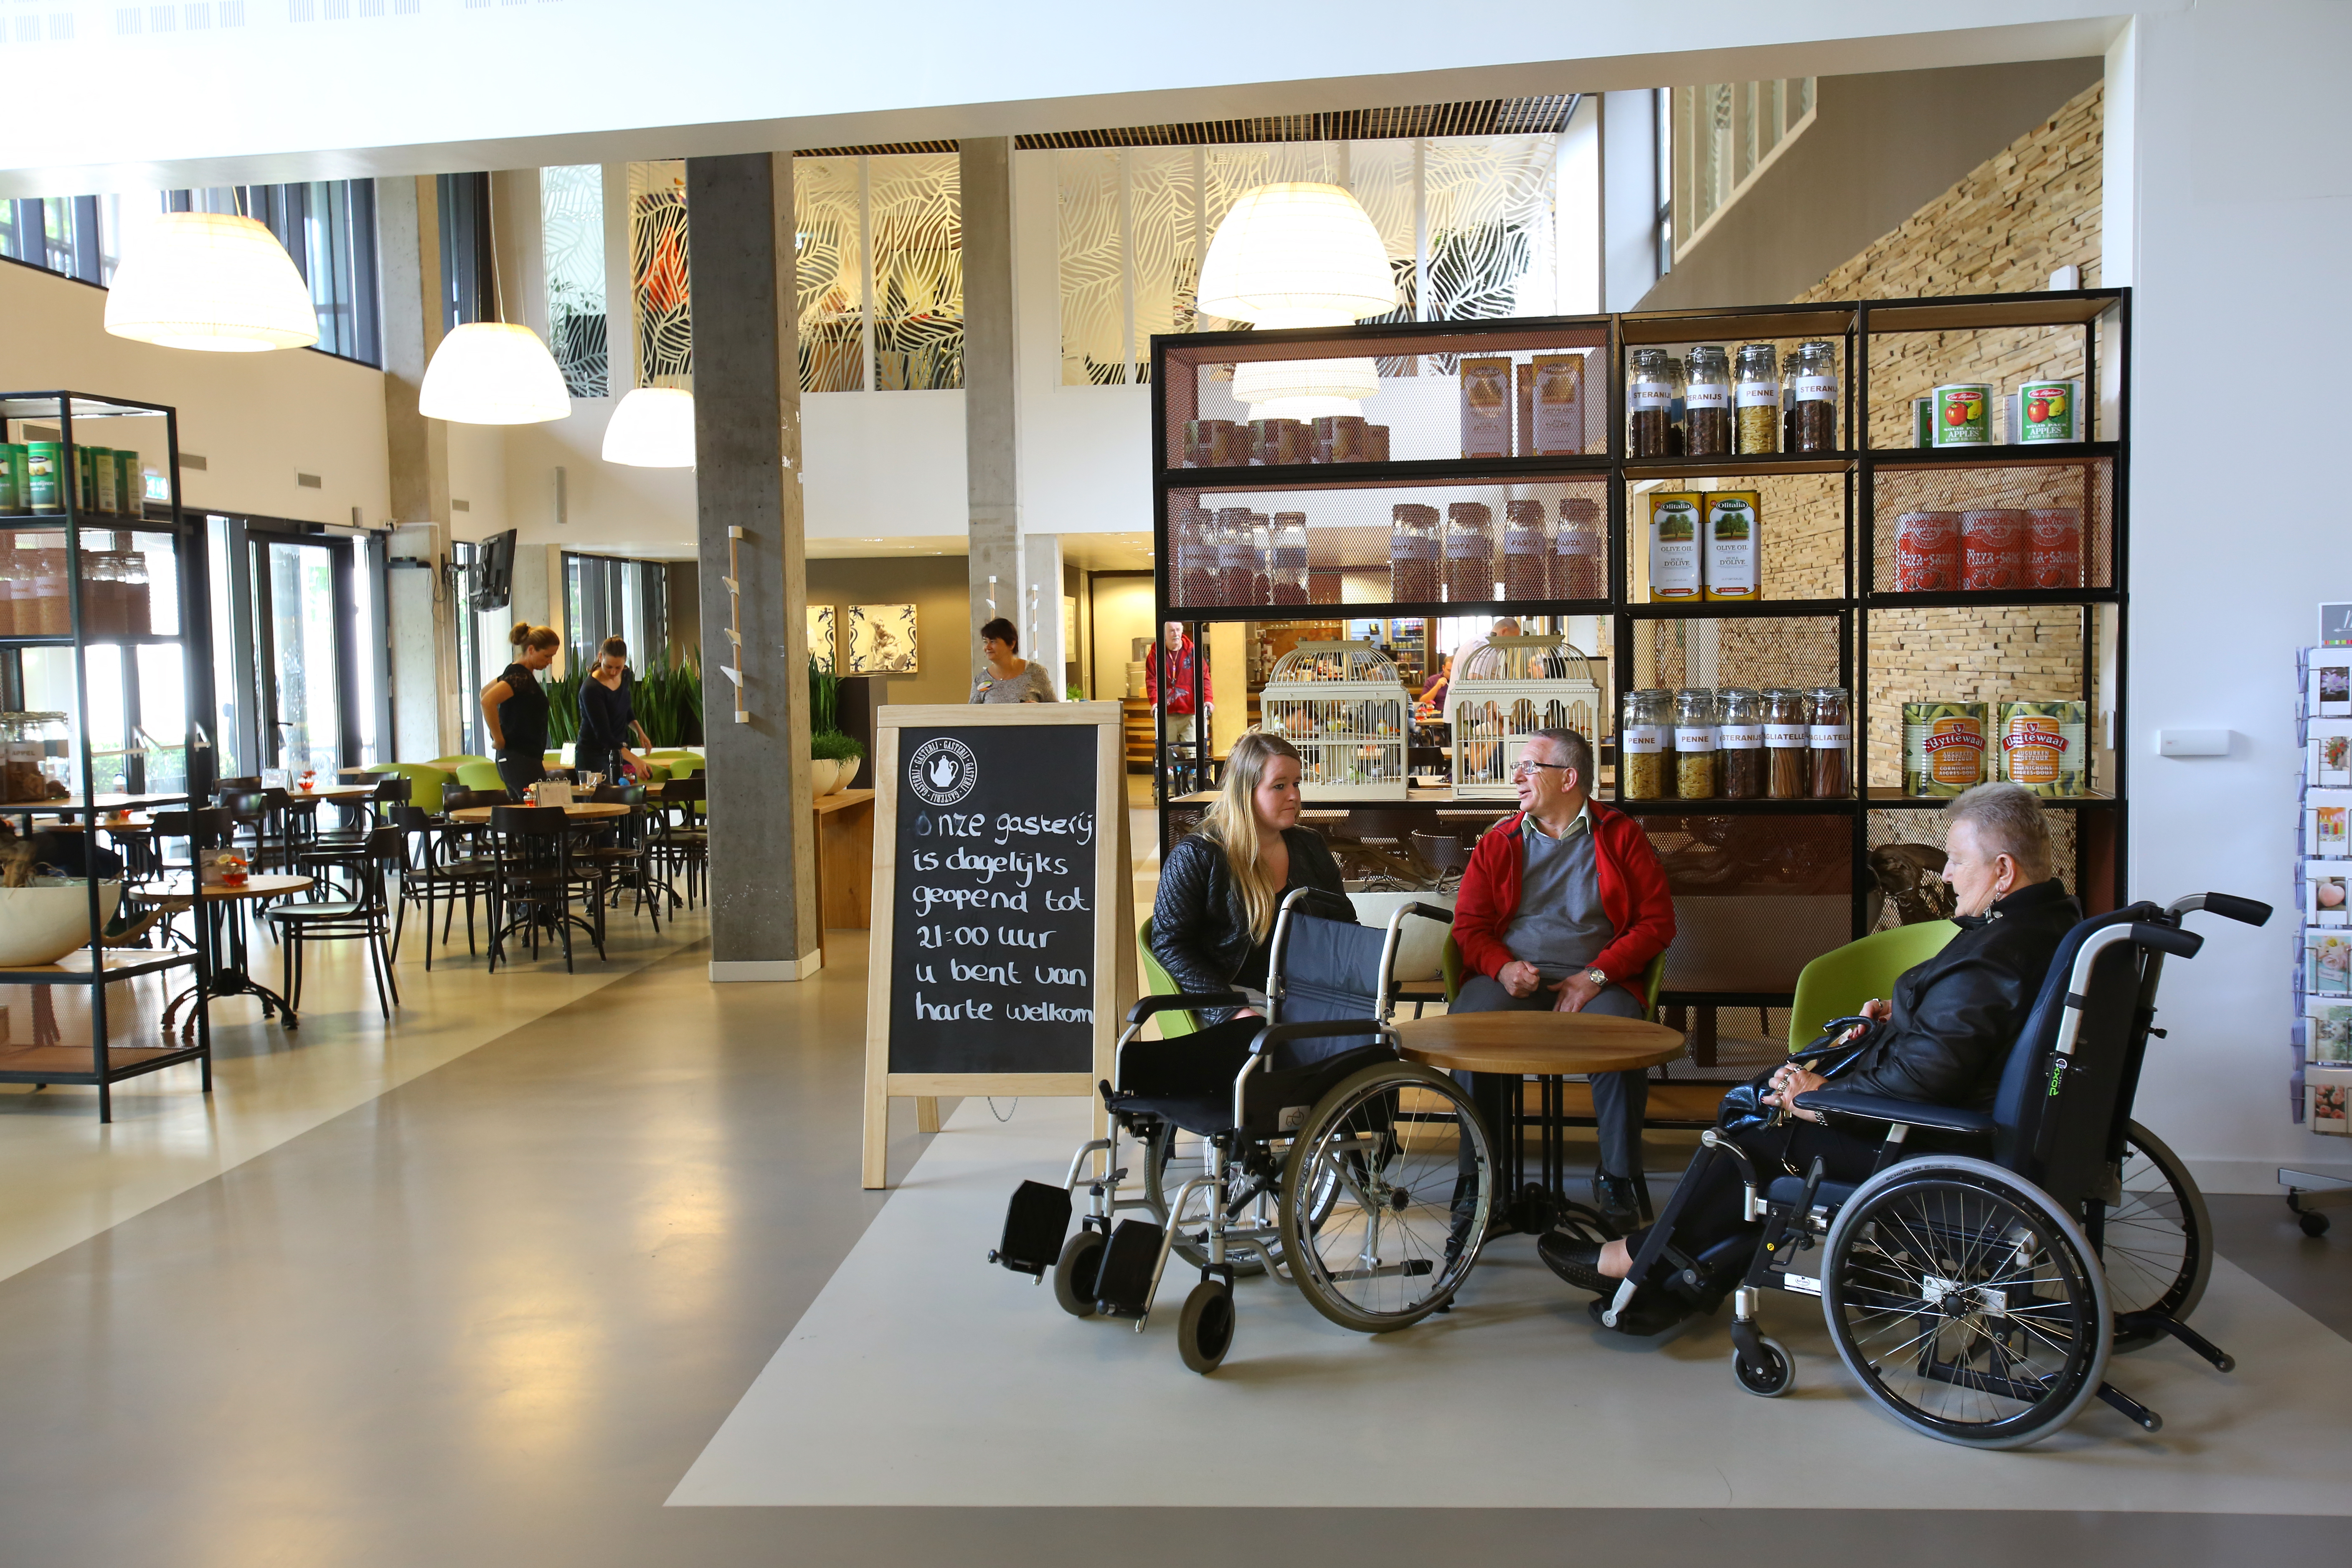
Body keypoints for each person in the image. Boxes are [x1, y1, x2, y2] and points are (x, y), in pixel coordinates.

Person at [1540, 781, 2081, 1334]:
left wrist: (1821, 1097)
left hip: (1929, 1137)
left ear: (2003, 871)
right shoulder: (2047, 925)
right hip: (1980, 1123)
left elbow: (1925, 1075)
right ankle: (1685, 1273)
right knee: (1763, 1103)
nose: (1943, 874)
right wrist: (1900, 1018)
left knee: (1751, 1133)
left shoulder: (1992, 956)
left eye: (1957, 860)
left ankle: (1641, 1260)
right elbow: (1970, 1033)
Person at [1449, 727, 1676, 1228]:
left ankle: (1618, 1176)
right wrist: (1502, 968)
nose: (1518, 777)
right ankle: (1478, 1175)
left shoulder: (1621, 836)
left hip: (1597, 981)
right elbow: (1469, 927)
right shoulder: (1498, 842)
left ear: (1569, 777)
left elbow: (1657, 924)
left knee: (1622, 1038)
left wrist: (1596, 975)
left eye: (1531, 767)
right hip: (1512, 978)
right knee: (1469, 1028)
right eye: (1520, 767)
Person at [1150, 729, 1344, 1027]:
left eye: (1296, 784)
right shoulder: (1198, 854)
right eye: (1279, 786)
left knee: (1375, 1040)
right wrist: (1229, 1009)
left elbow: (1343, 924)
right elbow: (1169, 945)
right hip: (1231, 998)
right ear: (1245, 792)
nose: (1294, 795)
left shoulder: (1310, 845)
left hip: (1302, 993)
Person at [482, 623, 560, 800]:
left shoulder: (514, 672)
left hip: (517, 758)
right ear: (531, 649)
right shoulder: (521, 677)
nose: (550, 662)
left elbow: (484, 692)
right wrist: (498, 738)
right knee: (541, 813)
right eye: (547, 656)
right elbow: (487, 701)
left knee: (528, 814)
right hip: (521, 757)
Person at [576, 635, 652, 786]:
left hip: (620, 751)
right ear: (600, 658)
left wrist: (639, 732)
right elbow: (603, 736)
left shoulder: (624, 675)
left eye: (618, 667)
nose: (613, 672)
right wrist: (636, 761)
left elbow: (625, 707)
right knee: (607, 803)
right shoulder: (591, 689)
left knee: (631, 800)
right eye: (609, 666)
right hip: (595, 754)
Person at [1146, 621, 1213, 792]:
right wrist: (1154, 702)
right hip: (1167, 713)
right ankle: (1169, 789)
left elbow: (1205, 677)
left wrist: (1208, 699)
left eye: (1178, 630)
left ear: (1182, 631)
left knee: (1192, 753)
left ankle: (1190, 789)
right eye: (1171, 631)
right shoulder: (1155, 655)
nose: (1175, 634)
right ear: (1164, 634)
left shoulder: (1192, 652)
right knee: (1168, 754)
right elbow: (1152, 681)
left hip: (1190, 711)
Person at [969, 616, 1058, 704]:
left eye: (993, 642)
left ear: (1011, 644)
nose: (987, 647)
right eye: (985, 642)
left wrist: (1036, 708)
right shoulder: (981, 680)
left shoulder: (1035, 672)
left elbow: (1055, 710)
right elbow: (971, 715)